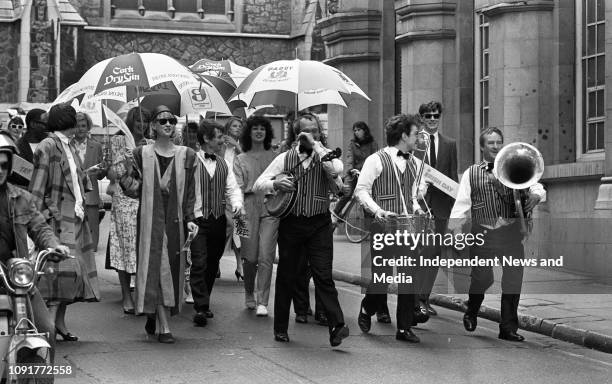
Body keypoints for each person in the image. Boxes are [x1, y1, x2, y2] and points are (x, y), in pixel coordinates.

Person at [253, 113, 349, 347]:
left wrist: (316, 145)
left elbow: (338, 167)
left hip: (319, 223)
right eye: (307, 131)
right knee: (287, 275)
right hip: (292, 223)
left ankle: (337, 325)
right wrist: (275, 183)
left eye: (315, 130)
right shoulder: (285, 158)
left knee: (323, 274)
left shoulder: (325, 156)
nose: (312, 134)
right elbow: (258, 184)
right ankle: (281, 328)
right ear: (296, 135)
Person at [449, 127, 546, 342]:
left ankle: (508, 328)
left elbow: (537, 185)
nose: (495, 146)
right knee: (483, 279)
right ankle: (471, 310)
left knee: (513, 279)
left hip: (511, 234)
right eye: (490, 143)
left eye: (498, 142)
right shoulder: (471, 173)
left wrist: (537, 196)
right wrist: (456, 230)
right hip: (483, 235)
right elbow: (461, 206)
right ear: (482, 147)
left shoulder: (513, 166)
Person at [117, 105, 198, 343]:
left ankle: (153, 313)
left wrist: (191, 219)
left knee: (172, 268)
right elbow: (129, 186)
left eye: (171, 121)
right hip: (150, 221)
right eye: (162, 121)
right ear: (153, 125)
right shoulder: (141, 153)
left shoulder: (187, 154)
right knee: (156, 264)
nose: (168, 125)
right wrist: (123, 171)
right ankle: (164, 326)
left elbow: (191, 191)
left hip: (176, 222)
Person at [29, 103, 101, 342]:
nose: (77, 123)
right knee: (55, 276)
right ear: (66, 122)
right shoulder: (48, 146)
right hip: (57, 220)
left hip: (75, 218)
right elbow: (37, 188)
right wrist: (38, 220)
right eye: (73, 119)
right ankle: (47, 328)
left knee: (70, 276)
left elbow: (75, 178)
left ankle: (58, 323)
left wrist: (87, 174)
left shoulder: (68, 144)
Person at [354, 114, 428, 343]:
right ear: (404, 135)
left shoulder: (416, 163)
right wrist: (378, 211)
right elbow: (361, 191)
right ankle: (367, 308)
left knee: (408, 278)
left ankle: (404, 328)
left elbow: (411, 196)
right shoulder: (375, 160)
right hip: (382, 228)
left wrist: (417, 208)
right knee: (381, 279)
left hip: (407, 229)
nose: (417, 138)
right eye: (415, 134)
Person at [0, 130, 71, 362]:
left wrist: (54, 246)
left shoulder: (21, 198)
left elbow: (40, 228)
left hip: (15, 276)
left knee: (46, 329)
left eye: (3, 165)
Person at [190, 120, 243, 326]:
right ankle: (201, 307)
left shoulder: (225, 164)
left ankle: (205, 299)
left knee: (213, 262)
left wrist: (237, 204)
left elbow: (232, 188)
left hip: (219, 219)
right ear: (206, 139)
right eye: (219, 137)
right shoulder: (191, 161)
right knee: (199, 261)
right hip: (198, 219)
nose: (223, 140)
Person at [414, 101, 458, 316]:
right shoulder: (413, 142)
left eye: (436, 116)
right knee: (419, 253)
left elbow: (452, 177)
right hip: (418, 207)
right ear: (421, 117)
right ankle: (414, 299)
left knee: (434, 254)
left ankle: (424, 297)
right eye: (428, 116)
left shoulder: (450, 144)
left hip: (441, 208)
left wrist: (453, 213)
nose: (432, 119)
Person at [106, 107, 151, 314]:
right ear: (131, 121)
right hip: (124, 202)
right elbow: (112, 173)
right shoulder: (117, 141)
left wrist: (144, 154)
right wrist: (129, 160)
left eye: (146, 121)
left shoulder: (151, 143)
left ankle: (142, 293)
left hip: (145, 200)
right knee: (124, 248)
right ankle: (126, 295)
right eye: (139, 120)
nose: (142, 125)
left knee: (144, 249)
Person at [233, 116, 279, 316]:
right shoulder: (240, 158)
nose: (259, 131)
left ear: (267, 132)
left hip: (270, 206)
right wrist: (237, 209)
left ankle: (263, 301)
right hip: (245, 208)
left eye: (262, 128)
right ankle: (249, 292)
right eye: (255, 128)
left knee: (266, 255)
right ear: (249, 132)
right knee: (249, 257)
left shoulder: (276, 157)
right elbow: (236, 187)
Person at [72, 112, 106, 252]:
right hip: (73, 195)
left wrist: (104, 168)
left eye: (83, 126)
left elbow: (100, 176)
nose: (80, 129)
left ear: (88, 127)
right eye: (77, 126)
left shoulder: (96, 146)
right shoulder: (67, 145)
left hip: (91, 197)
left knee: (92, 242)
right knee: (74, 237)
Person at [333, 121, 378, 219]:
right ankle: (335, 213)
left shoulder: (373, 143)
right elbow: (350, 157)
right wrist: (350, 169)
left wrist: (369, 172)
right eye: (355, 130)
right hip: (353, 173)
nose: (356, 132)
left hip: (366, 174)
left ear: (364, 130)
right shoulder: (353, 143)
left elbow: (375, 158)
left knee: (367, 198)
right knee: (347, 192)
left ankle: (368, 223)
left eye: (359, 130)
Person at [220, 116, 245, 281]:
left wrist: (236, 146)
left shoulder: (243, 147)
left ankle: (240, 265)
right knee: (224, 228)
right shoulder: (220, 145)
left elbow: (247, 163)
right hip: (221, 192)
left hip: (239, 192)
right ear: (228, 128)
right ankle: (216, 262)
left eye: (239, 126)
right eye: (234, 126)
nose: (237, 128)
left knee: (240, 228)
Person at [10, 109, 48, 189]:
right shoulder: (16, 149)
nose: (48, 127)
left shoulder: (51, 145)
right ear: (33, 124)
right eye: (45, 123)